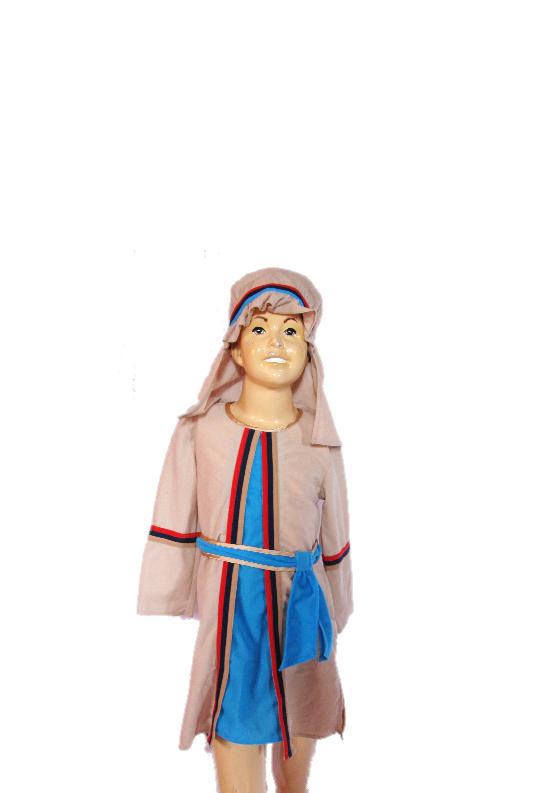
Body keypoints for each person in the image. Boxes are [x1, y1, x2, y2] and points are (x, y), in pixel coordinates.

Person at [137, 267, 353, 792]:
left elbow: (335, 531)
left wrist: (338, 603)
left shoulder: (319, 441)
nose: (276, 342)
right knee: (235, 717)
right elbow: (176, 513)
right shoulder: (201, 431)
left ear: (308, 350)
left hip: (301, 604)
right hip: (233, 605)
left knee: (299, 721)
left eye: (291, 331)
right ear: (235, 348)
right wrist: (172, 588)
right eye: (259, 329)